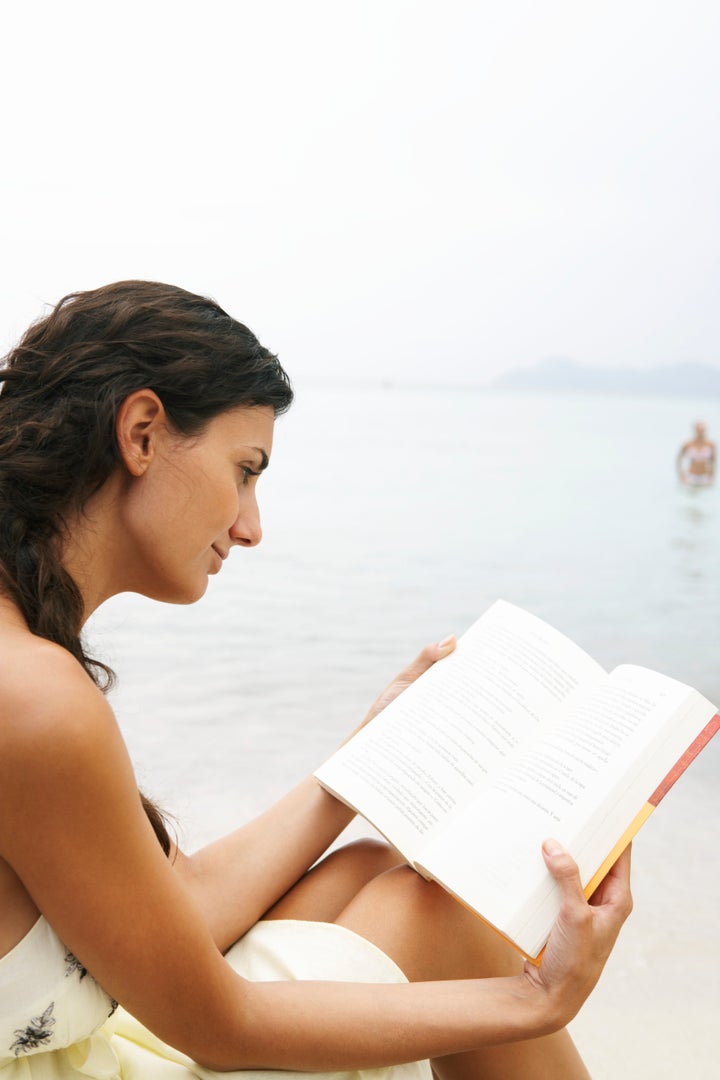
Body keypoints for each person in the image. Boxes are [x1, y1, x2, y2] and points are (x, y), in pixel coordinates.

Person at [0, 281, 633, 1080]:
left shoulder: (23, 662)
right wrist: (537, 996)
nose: (250, 526)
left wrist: (365, 764)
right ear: (142, 432)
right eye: (245, 469)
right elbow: (215, 1025)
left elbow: (176, 910)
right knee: (440, 918)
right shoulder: (34, 697)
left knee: (367, 869)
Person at [677, 420, 716, 486]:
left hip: (705, 476)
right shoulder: (688, 444)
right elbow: (679, 459)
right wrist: (681, 473)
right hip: (691, 476)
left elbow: (713, 460)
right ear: (695, 430)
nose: (700, 433)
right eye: (699, 430)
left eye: (702, 430)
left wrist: (712, 474)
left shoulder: (710, 444)